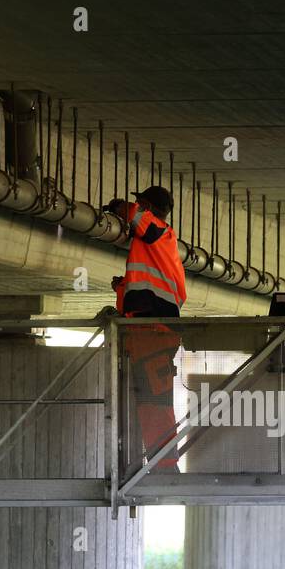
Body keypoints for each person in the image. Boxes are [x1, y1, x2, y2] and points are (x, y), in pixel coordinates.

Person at [100, 186, 186, 470]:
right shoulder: (157, 246)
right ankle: (159, 464)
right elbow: (146, 286)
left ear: (149, 207)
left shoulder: (160, 231)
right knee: (148, 400)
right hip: (147, 329)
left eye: (141, 203)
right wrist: (123, 289)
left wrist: (117, 206)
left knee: (154, 400)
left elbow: (137, 218)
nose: (136, 207)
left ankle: (165, 466)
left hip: (153, 329)